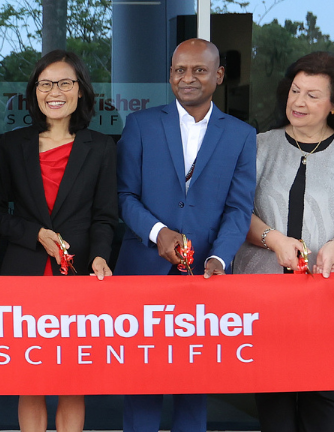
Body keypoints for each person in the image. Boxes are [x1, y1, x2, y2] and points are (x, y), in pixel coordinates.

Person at [235, 51, 334, 431]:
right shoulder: (257, 146)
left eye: (312, 95)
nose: (298, 102)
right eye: (295, 91)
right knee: (274, 400)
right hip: (264, 294)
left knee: (324, 399)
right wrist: (273, 240)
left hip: (328, 297)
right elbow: (234, 210)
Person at [114, 39, 257, 432]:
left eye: (199, 70)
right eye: (179, 70)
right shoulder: (141, 124)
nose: (187, 78)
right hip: (143, 270)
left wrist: (218, 258)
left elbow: (239, 208)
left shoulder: (242, 135)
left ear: (219, 75)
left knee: (194, 387)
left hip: (204, 279)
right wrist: (158, 233)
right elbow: (123, 195)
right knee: (141, 383)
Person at [0, 49, 117, 432]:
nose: (54, 92)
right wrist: (34, 234)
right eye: (45, 84)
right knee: (32, 379)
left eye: (64, 83)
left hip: (78, 277)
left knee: (72, 380)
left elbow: (105, 216)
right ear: (34, 92)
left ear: (80, 91)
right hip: (25, 275)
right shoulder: (11, 145)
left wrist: (100, 256)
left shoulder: (102, 147)